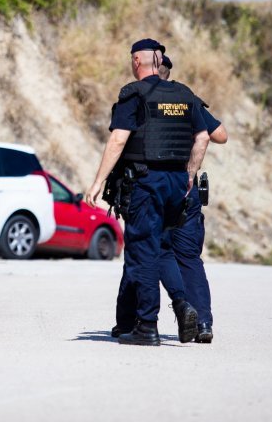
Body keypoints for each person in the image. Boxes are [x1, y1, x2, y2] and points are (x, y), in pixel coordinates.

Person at [85, 38, 210, 346]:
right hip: (176, 184)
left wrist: (98, 181)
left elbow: (118, 140)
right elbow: (205, 135)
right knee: (163, 249)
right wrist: (190, 175)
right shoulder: (184, 94)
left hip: (147, 182)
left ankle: (147, 326)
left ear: (137, 62)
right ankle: (182, 305)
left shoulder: (133, 93)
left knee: (142, 252)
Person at [158, 54, 228, 343]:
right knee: (189, 259)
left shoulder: (141, 98)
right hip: (188, 190)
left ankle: (141, 319)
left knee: (152, 254)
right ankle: (203, 323)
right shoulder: (187, 99)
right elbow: (219, 135)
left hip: (158, 189)